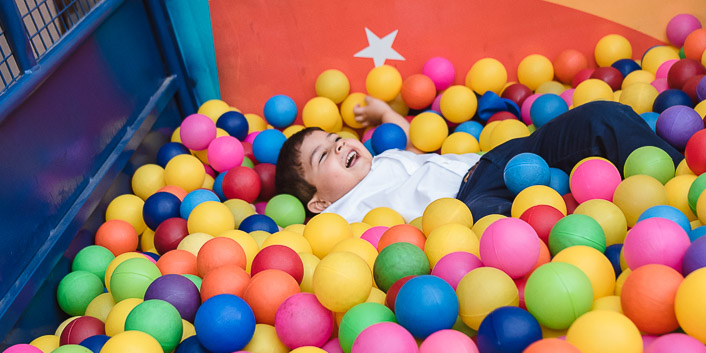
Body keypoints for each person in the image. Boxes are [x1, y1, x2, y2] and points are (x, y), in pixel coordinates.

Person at [275, 97, 684, 223]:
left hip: (496, 161)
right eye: (323, 155)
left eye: (337, 138)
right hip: (465, 211)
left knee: (601, 117)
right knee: (509, 227)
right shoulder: (340, 216)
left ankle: (685, 179)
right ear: (319, 202)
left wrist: (384, 114)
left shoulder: (385, 156)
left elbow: (409, 143)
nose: (339, 146)